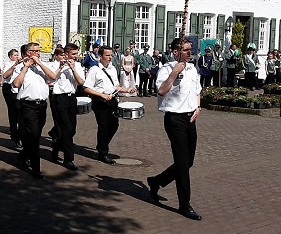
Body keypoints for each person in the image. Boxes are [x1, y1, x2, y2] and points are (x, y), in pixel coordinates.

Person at [147, 37, 202, 221]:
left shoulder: (192, 68)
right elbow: (161, 91)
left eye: (190, 49)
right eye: (186, 50)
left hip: (190, 118)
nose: (189, 52)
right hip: (174, 118)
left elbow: (197, 90)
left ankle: (156, 181)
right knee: (182, 163)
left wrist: (198, 106)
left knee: (188, 162)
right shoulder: (167, 68)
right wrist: (174, 74)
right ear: (176, 52)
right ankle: (184, 205)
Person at [84, 46, 136, 164]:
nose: (110, 57)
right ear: (100, 56)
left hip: (111, 99)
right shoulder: (94, 70)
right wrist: (101, 95)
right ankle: (103, 153)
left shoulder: (112, 69)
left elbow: (115, 87)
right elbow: (86, 88)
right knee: (103, 126)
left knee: (114, 125)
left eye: (111, 55)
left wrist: (127, 90)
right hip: (100, 101)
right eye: (107, 55)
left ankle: (101, 145)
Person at [12, 42, 56, 179]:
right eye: (35, 51)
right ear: (27, 53)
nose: (38, 53)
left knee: (34, 135)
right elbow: (16, 84)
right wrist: (25, 68)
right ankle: (36, 168)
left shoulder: (43, 67)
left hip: (42, 105)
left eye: (39, 51)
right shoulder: (19, 67)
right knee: (35, 136)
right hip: (27, 105)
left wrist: (40, 64)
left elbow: (53, 77)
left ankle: (24, 154)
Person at [50, 43, 85, 171]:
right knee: (67, 129)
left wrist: (73, 69)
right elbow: (50, 80)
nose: (75, 56)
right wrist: (61, 67)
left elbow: (81, 82)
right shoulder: (55, 65)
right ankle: (68, 159)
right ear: (66, 54)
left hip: (72, 98)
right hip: (59, 98)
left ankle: (56, 144)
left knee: (72, 130)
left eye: (76, 54)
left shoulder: (78, 66)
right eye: (73, 54)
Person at [2, 48, 22, 148]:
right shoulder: (8, 64)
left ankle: (17, 132)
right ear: (11, 56)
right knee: (13, 110)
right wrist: (14, 65)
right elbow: (5, 76)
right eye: (15, 55)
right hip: (8, 88)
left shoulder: (21, 64)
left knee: (19, 111)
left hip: (18, 88)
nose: (17, 57)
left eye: (18, 55)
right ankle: (14, 133)